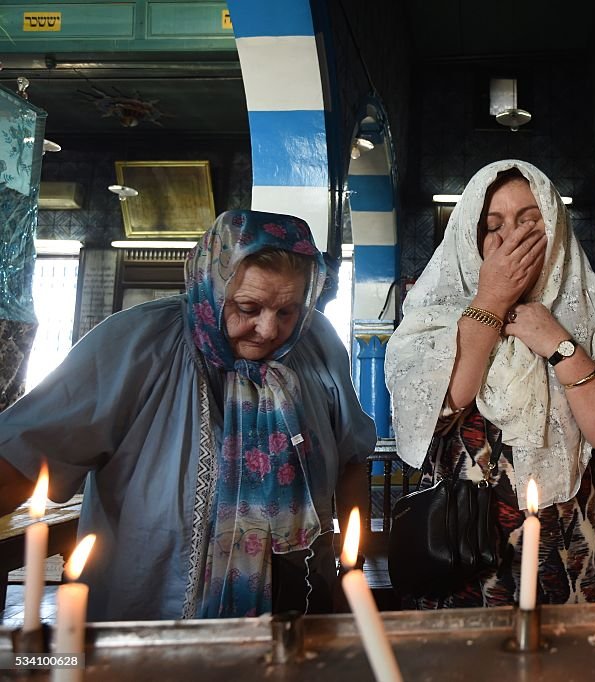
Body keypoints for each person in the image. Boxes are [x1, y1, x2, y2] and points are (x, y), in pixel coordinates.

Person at [0, 210, 376, 621]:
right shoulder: (135, 344)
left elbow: (352, 459)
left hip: (297, 604)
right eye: (248, 307)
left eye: (286, 311)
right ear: (210, 287)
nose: (268, 330)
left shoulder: (317, 342)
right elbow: (22, 458)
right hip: (154, 611)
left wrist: (349, 572)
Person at [385, 160, 595, 607]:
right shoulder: (432, 316)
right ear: (468, 236)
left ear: (554, 228)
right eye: (492, 226)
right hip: (464, 553)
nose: (510, 238)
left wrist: (558, 343)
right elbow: (440, 410)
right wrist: (491, 301)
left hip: (574, 556)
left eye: (529, 222)